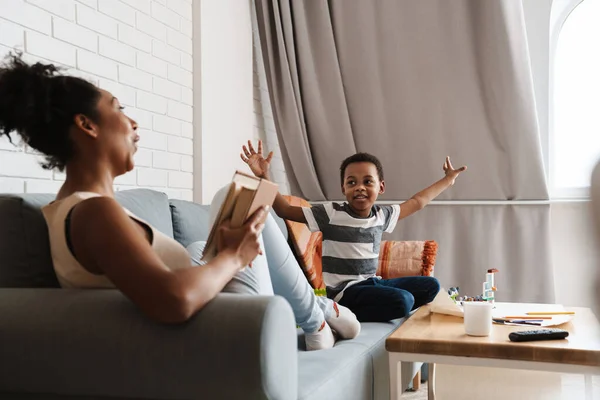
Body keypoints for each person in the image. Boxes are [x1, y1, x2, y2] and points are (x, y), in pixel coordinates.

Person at [0, 53, 360, 350]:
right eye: (118, 108)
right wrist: (232, 256)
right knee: (234, 200)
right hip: (230, 337)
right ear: (87, 125)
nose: (132, 121)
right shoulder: (94, 211)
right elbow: (174, 300)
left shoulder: (79, 208)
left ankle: (318, 317)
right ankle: (317, 317)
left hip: (223, 318)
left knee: (213, 227)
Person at [241, 140, 467, 322]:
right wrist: (263, 176)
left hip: (373, 283)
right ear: (343, 188)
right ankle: (340, 311)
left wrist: (447, 180)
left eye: (368, 181)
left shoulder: (382, 215)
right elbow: (283, 210)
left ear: (381, 187)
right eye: (352, 182)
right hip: (344, 292)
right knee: (403, 301)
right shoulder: (330, 213)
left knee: (432, 286)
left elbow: (418, 201)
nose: (360, 187)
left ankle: (382, 305)